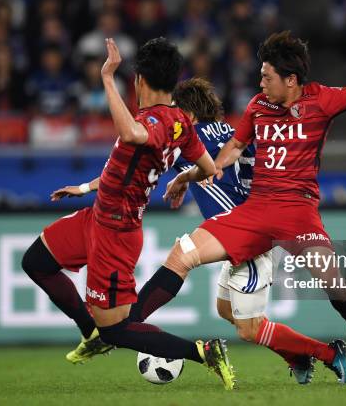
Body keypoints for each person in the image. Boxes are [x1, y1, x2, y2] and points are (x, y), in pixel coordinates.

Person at [132, 31, 346, 374]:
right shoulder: (258, 107)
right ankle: (124, 328)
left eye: (266, 76)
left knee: (332, 277)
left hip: (299, 210)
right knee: (184, 254)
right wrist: (196, 174)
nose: (260, 83)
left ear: (290, 80)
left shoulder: (322, 100)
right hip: (257, 209)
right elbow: (232, 147)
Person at [20, 37, 235, 390]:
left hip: (115, 232)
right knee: (37, 261)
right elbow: (209, 167)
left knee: (117, 330)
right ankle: (89, 330)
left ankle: (204, 351)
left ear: (139, 81)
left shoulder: (153, 121)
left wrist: (106, 78)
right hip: (97, 214)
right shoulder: (180, 122)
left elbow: (132, 134)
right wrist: (88, 188)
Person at [132, 77, 346, 384]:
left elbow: (147, 158)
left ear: (189, 116)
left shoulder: (188, 137)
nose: (172, 120)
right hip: (242, 229)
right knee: (225, 309)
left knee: (247, 327)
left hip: (246, 240)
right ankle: (297, 355)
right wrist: (184, 179)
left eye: (175, 113)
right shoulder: (229, 132)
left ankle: (328, 353)